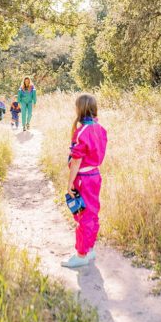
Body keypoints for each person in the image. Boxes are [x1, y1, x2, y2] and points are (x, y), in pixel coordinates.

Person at [61, 93, 107, 268]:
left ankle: (81, 255)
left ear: (79, 109)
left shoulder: (82, 131)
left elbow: (77, 160)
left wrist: (70, 182)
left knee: (83, 215)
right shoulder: (100, 129)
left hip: (84, 178)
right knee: (92, 212)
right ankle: (90, 248)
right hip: (95, 175)